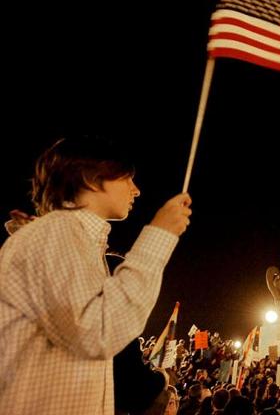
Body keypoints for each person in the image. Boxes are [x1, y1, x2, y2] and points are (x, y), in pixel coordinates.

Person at [0, 135, 192, 414]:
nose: (136, 190)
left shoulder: (65, 237)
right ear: (92, 179)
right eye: (127, 178)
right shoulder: (56, 233)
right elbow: (98, 331)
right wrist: (159, 236)